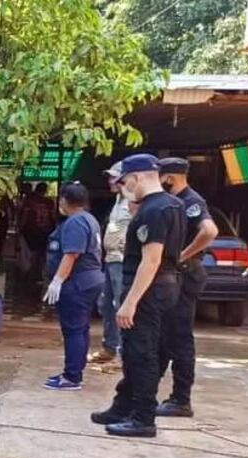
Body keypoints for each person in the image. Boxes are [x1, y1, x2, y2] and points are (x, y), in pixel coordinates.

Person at [91, 154, 186, 438]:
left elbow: (151, 260)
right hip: (168, 285)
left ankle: (142, 417)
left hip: (147, 288)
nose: (124, 187)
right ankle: (122, 406)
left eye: (126, 181)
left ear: (140, 176)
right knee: (149, 351)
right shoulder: (174, 204)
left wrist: (130, 302)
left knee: (139, 354)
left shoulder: (153, 211)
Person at [156, 157, 219, 418]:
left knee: (179, 338)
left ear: (169, 178)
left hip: (185, 275)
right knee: (163, 335)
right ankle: (147, 390)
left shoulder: (191, 201)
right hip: (175, 276)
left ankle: (181, 399)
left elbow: (209, 231)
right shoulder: (175, 201)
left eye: (160, 178)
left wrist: (182, 255)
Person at [42, 183, 104, 391]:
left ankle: (72, 377)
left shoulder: (76, 222)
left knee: (73, 329)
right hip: (89, 279)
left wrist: (57, 281)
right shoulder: (89, 219)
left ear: (65, 200)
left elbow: (71, 254)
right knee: (80, 328)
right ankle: (74, 372)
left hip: (78, 281)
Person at [90, 162, 131, 365]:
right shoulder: (118, 200)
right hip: (110, 260)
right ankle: (109, 347)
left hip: (122, 261)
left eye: (114, 177)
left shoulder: (134, 201)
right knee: (106, 304)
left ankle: (125, 353)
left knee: (120, 305)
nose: (110, 181)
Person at [18, 183, 58, 278]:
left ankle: (31, 272)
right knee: (41, 252)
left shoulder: (28, 201)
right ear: (45, 191)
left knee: (31, 252)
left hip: (30, 230)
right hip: (45, 231)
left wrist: (20, 227)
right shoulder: (49, 202)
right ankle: (38, 272)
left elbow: (24, 215)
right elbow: (53, 217)